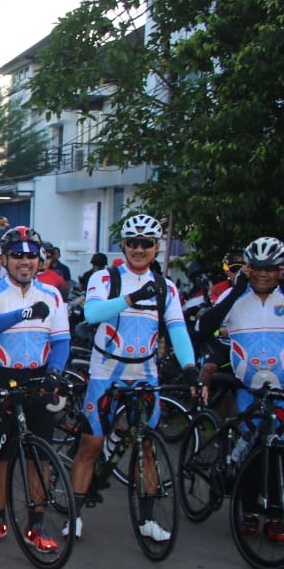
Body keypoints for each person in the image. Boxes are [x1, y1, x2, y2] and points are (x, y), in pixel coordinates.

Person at [70, 214, 198, 540]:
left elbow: (178, 329)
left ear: (157, 248)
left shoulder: (166, 287)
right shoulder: (106, 277)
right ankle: (74, 515)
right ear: (124, 245)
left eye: (146, 244)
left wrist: (190, 369)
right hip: (106, 370)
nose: (139, 249)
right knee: (91, 444)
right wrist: (130, 298)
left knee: (147, 448)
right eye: (133, 243)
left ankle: (147, 520)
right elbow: (93, 313)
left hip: (145, 371)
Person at [198, 236, 284, 541]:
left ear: (281, 269)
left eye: (271, 268)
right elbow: (204, 327)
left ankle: (276, 517)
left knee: (280, 453)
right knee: (254, 451)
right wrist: (236, 292)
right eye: (257, 268)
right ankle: (250, 511)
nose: (264, 274)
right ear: (248, 269)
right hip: (250, 389)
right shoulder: (235, 297)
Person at [0, 226, 71, 552]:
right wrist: (22, 314)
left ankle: (36, 523)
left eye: (30, 255)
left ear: (39, 260)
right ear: (5, 258)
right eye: (17, 255)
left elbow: (61, 341)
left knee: (39, 455)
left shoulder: (53, 295)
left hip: (38, 378)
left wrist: (55, 372)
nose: (24, 261)